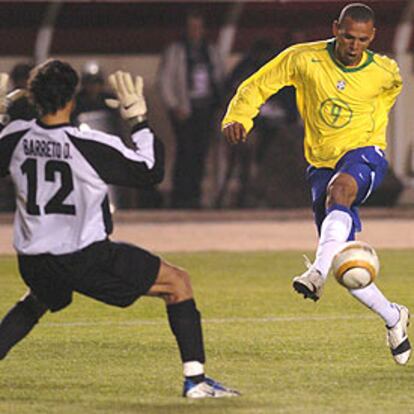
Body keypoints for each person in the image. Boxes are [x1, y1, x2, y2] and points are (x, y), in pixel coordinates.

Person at [0, 60, 239, 398]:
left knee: (36, 301)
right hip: (84, 256)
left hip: (34, 259)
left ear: (34, 96)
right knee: (177, 283)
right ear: (72, 98)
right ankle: (196, 381)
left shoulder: (14, 137)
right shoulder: (89, 145)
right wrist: (138, 119)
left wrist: (2, 119)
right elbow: (151, 171)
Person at [222, 3, 411, 364]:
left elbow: (389, 95)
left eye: (361, 39)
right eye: (347, 36)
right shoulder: (302, 59)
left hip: (364, 155)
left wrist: (371, 132)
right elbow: (259, 84)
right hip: (321, 165)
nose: (353, 45)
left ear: (372, 38)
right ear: (335, 28)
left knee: (339, 194)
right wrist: (239, 118)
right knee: (349, 266)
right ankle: (394, 317)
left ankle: (315, 273)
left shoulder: (385, 71)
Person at [158, 10, 225, 208]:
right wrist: (174, 105)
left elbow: (219, 76)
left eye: (198, 27)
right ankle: (180, 196)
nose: (195, 31)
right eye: (191, 27)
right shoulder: (176, 51)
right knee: (185, 152)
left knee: (201, 153)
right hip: (184, 111)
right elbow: (164, 81)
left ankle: (196, 195)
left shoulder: (211, 51)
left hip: (206, 110)